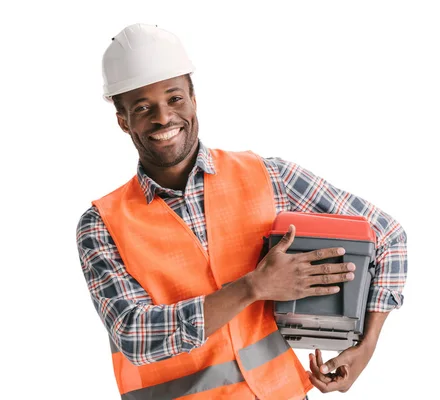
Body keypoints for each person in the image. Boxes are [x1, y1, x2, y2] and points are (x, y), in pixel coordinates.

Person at [76, 23, 407, 400]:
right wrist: (253, 287)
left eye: (175, 98)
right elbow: (135, 335)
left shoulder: (269, 177)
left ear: (194, 98)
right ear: (124, 121)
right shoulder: (102, 224)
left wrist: (366, 345)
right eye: (142, 107)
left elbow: (387, 235)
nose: (163, 117)